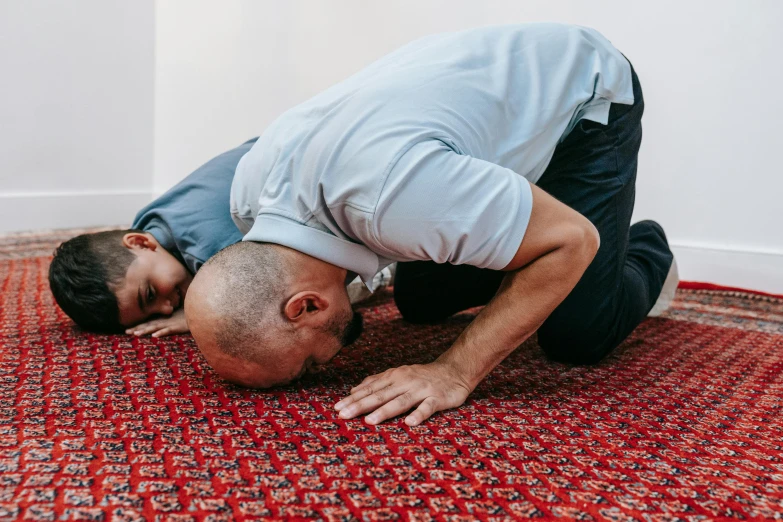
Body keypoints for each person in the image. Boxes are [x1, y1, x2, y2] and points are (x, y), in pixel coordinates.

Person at [184, 23, 677, 427]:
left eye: (310, 365)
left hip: (584, 91)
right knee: (420, 300)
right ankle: (524, 228)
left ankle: (644, 249)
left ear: (306, 305)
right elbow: (243, 284)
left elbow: (573, 239)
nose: (323, 369)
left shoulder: (395, 197)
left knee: (578, 332)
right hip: (464, 116)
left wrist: (453, 372)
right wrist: (213, 313)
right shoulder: (249, 197)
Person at [48, 138, 256, 335]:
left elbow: (265, 292)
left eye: (150, 294)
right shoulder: (149, 225)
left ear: (140, 243)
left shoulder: (208, 247)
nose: (166, 310)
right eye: (154, 315)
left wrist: (199, 315)